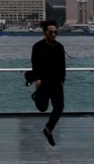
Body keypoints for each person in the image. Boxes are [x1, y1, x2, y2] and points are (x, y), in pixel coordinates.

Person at [30, 19, 66, 147]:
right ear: (45, 32)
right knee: (42, 108)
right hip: (43, 82)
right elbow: (35, 65)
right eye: (51, 32)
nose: (54, 35)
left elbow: (62, 65)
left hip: (56, 82)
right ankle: (36, 96)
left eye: (56, 32)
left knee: (59, 107)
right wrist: (37, 79)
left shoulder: (60, 47)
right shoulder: (37, 47)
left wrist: (62, 80)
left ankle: (48, 129)